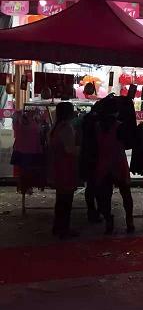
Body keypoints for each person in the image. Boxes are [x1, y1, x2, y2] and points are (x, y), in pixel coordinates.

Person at [95, 112, 134, 234]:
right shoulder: (120, 126)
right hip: (118, 162)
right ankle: (129, 221)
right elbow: (127, 144)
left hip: (103, 163)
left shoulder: (98, 126)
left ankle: (108, 220)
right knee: (126, 193)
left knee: (105, 196)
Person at [49, 102, 79, 238]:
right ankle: (64, 229)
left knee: (60, 199)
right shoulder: (67, 128)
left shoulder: (55, 127)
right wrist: (81, 149)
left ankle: (58, 227)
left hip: (57, 165)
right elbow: (70, 149)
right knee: (66, 200)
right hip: (66, 166)